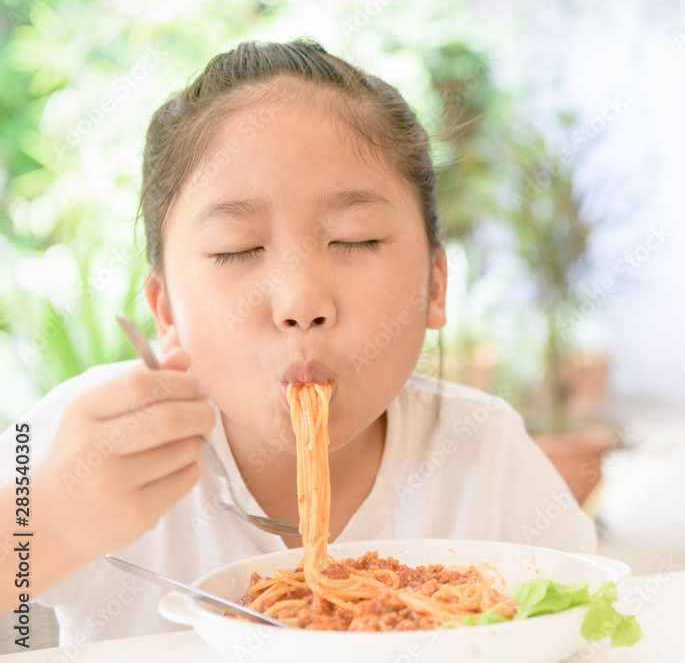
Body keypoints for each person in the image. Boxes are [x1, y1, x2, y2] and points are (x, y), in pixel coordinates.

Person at [0, 38, 596, 645]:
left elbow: (584, 628)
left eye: (356, 240)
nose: (301, 304)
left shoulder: (483, 451)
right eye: (237, 250)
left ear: (435, 285)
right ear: (166, 310)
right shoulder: (96, 436)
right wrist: (53, 524)